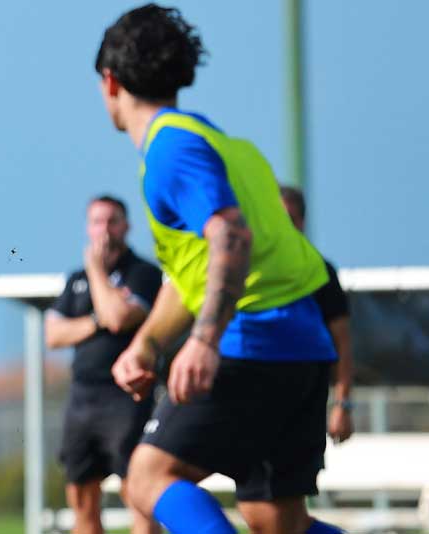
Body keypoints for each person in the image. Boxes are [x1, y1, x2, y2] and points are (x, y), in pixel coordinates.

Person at [96, 5, 345, 533]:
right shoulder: (220, 142)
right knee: (277, 522)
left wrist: (205, 340)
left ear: (110, 81)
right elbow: (195, 271)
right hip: (302, 347)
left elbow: (230, 235)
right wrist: (146, 344)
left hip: (251, 340)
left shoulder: (172, 149)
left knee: (147, 476)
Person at [46, 195, 162, 534]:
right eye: (97, 221)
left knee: (136, 495)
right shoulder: (76, 279)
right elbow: (53, 335)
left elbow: (121, 317)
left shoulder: (143, 274)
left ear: (126, 226)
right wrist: (97, 319)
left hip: (127, 397)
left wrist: (97, 271)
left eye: (112, 221)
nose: (105, 229)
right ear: (88, 227)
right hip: (82, 400)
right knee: (81, 496)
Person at [279, 186, 355, 443]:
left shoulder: (320, 272)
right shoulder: (246, 269)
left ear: (301, 222)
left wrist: (342, 405)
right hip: (256, 400)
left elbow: (342, 342)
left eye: (288, 219)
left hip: (306, 403)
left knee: (298, 481)